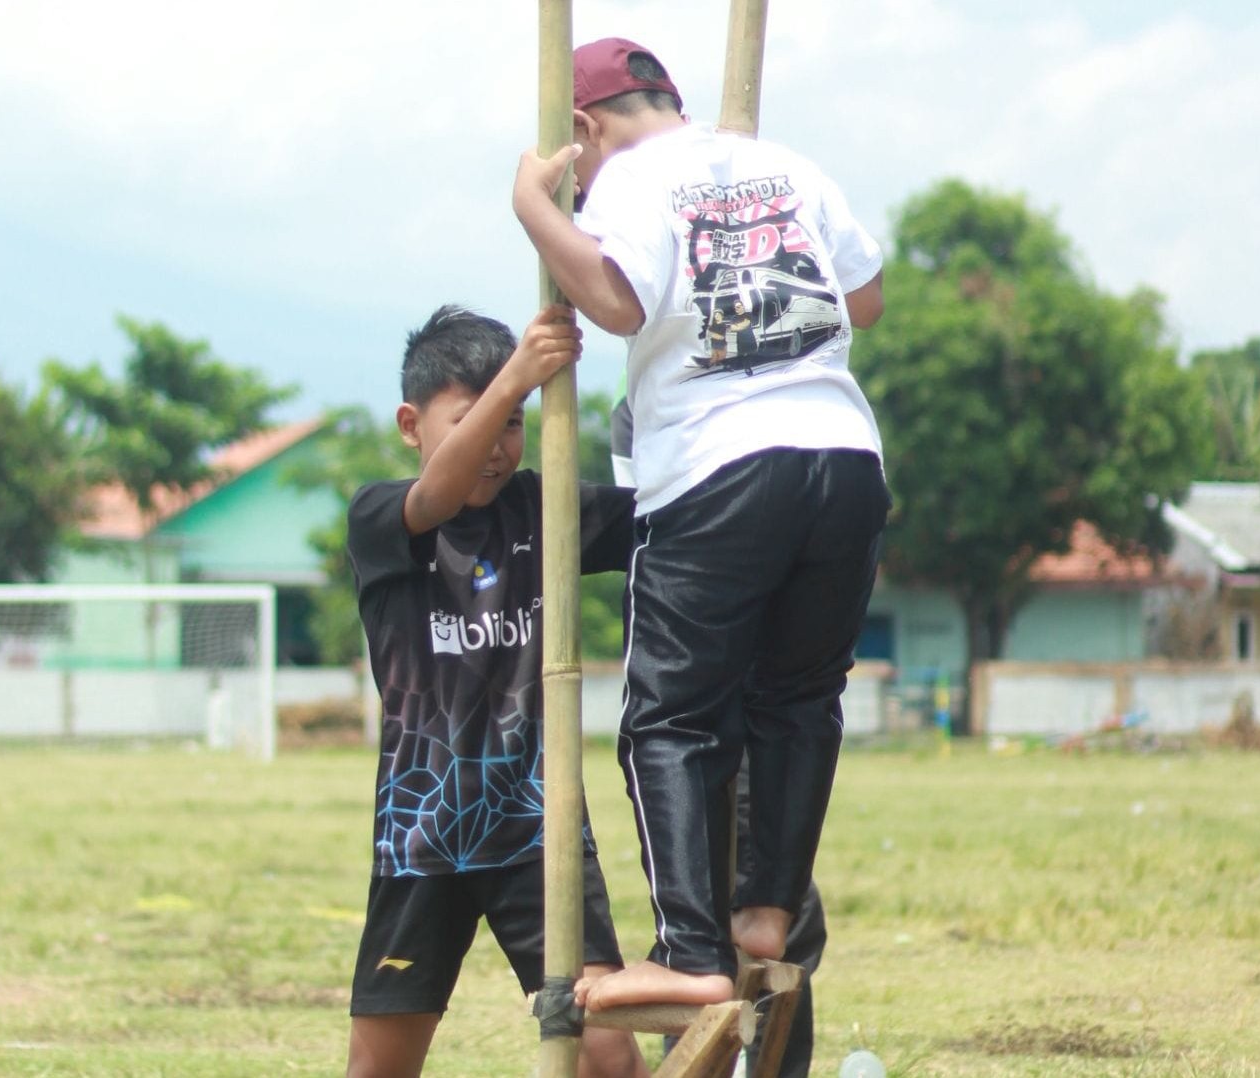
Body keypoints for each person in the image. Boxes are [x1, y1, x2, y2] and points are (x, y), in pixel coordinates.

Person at [512, 37, 889, 1014]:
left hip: (720, 466)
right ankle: (763, 911)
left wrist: (534, 210)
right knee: (798, 697)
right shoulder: (788, 165)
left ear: (586, 129)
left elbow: (610, 299)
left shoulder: (632, 181)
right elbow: (865, 298)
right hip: (844, 458)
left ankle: (689, 950)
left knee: (670, 718)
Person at [343, 303, 647, 1078]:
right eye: (473, 418)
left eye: (514, 422)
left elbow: (669, 520)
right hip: (423, 838)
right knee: (380, 1067)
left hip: (538, 833)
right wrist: (518, 375)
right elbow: (435, 499)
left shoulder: (547, 510)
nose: (498, 445)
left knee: (609, 1057)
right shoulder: (380, 517)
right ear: (411, 425)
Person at [612, 388, 826, 1078]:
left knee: (764, 910)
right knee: (715, 907)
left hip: (748, 707)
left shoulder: (786, 403)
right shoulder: (644, 414)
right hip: (715, 704)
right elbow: (649, 543)